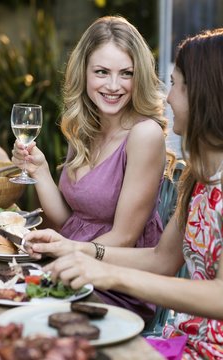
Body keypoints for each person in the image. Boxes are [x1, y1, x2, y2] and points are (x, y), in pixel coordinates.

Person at [24, 28, 223, 358]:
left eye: (175, 84)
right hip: (182, 340)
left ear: (203, 94)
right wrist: (75, 249)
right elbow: (161, 259)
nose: (168, 97)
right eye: (102, 71)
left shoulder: (148, 137)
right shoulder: (197, 178)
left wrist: (109, 273)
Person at [12, 16, 171, 322]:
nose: (113, 86)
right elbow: (71, 220)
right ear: (83, 73)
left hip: (116, 286)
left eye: (126, 73)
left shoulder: (144, 135)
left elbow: (124, 237)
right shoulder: (86, 127)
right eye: (102, 72)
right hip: (74, 269)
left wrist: (67, 250)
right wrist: (40, 170)